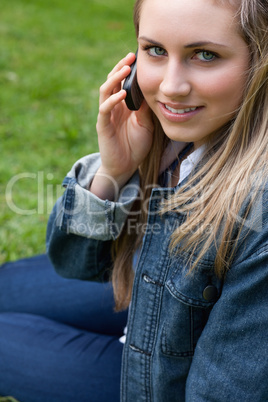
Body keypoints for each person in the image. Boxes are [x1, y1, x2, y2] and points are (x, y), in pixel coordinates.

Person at [1, 0, 267, 401]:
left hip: (154, 382)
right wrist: (114, 171)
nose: (171, 86)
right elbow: (74, 262)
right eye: (156, 50)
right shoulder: (184, 140)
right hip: (155, 299)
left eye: (205, 55)